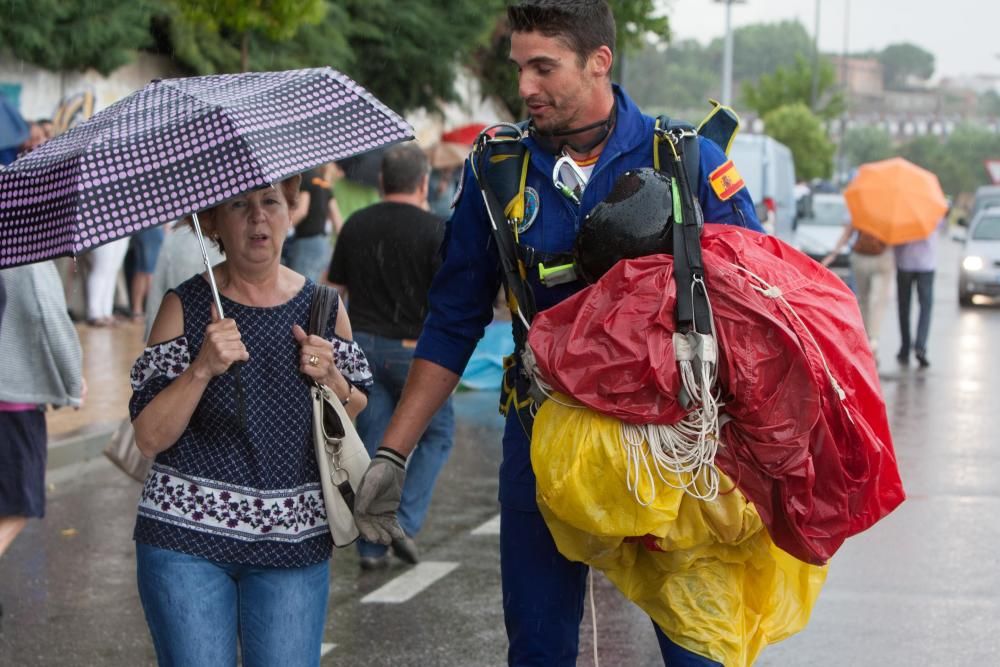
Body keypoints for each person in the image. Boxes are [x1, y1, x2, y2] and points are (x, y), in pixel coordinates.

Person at [350, 2, 762, 665]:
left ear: (599, 61)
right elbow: (454, 317)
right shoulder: (499, 171)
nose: (525, 87)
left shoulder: (687, 158)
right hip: (544, 442)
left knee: (700, 650)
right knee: (538, 649)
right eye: (519, 68)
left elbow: (756, 305)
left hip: (676, 451)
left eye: (544, 68)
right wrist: (393, 454)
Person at [129, 176, 371, 667]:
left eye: (270, 202)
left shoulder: (323, 309)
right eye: (239, 205)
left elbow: (354, 409)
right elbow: (149, 436)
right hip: (184, 541)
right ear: (214, 223)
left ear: (291, 212)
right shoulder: (186, 306)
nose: (258, 216)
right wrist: (202, 367)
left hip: (293, 542)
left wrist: (333, 380)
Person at [327, 142, 454, 571]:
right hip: (415, 353)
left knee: (378, 444)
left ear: (381, 182)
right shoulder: (437, 229)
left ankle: (370, 546)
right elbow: (451, 301)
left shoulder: (356, 225)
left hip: (362, 348)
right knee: (436, 433)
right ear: (424, 182)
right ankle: (401, 520)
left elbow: (335, 287)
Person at [0, 261, 85, 618]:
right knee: (21, 502)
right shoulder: (27, 252)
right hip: (13, 403)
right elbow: (50, 319)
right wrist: (72, 382)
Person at [822, 216, 893, 354]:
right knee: (878, 301)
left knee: (862, 299)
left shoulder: (860, 209)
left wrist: (833, 254)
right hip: (882, 258)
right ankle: (874, 338)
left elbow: (847, 234)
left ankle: (863, 334)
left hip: (860, 257)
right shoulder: (889, 213)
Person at [894, 219, 944, 368]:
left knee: (904, 307)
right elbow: (941, 226)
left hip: (905, 262)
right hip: (926, 264)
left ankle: (905, 346)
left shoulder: (900, 211)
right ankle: (920, 347)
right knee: (925, 308)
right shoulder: (932, 209)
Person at [286, 164, 343, 281]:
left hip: (307, 242)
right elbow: (338, 221)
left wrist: (282, 228)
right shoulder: (324, 184)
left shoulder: (306, 177)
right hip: (323, 245)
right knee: (311, 290)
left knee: (298, 289)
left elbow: (302, 211)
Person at [129, 225, 166, 322]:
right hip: (151, 227)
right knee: (147, 271)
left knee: (145, 270)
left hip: (154, 227)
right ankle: (143, 310)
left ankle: (140, 310)